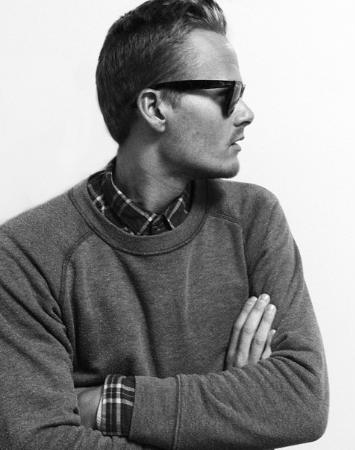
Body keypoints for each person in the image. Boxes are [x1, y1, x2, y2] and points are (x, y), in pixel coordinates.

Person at [0, 0, 329, 448]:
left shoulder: (254, 219)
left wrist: (105, 403)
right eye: (227, 93)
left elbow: (302, 400)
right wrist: (233, 416)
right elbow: (39, 442)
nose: (246, 112)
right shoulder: (25, 255)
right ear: (155, 108)